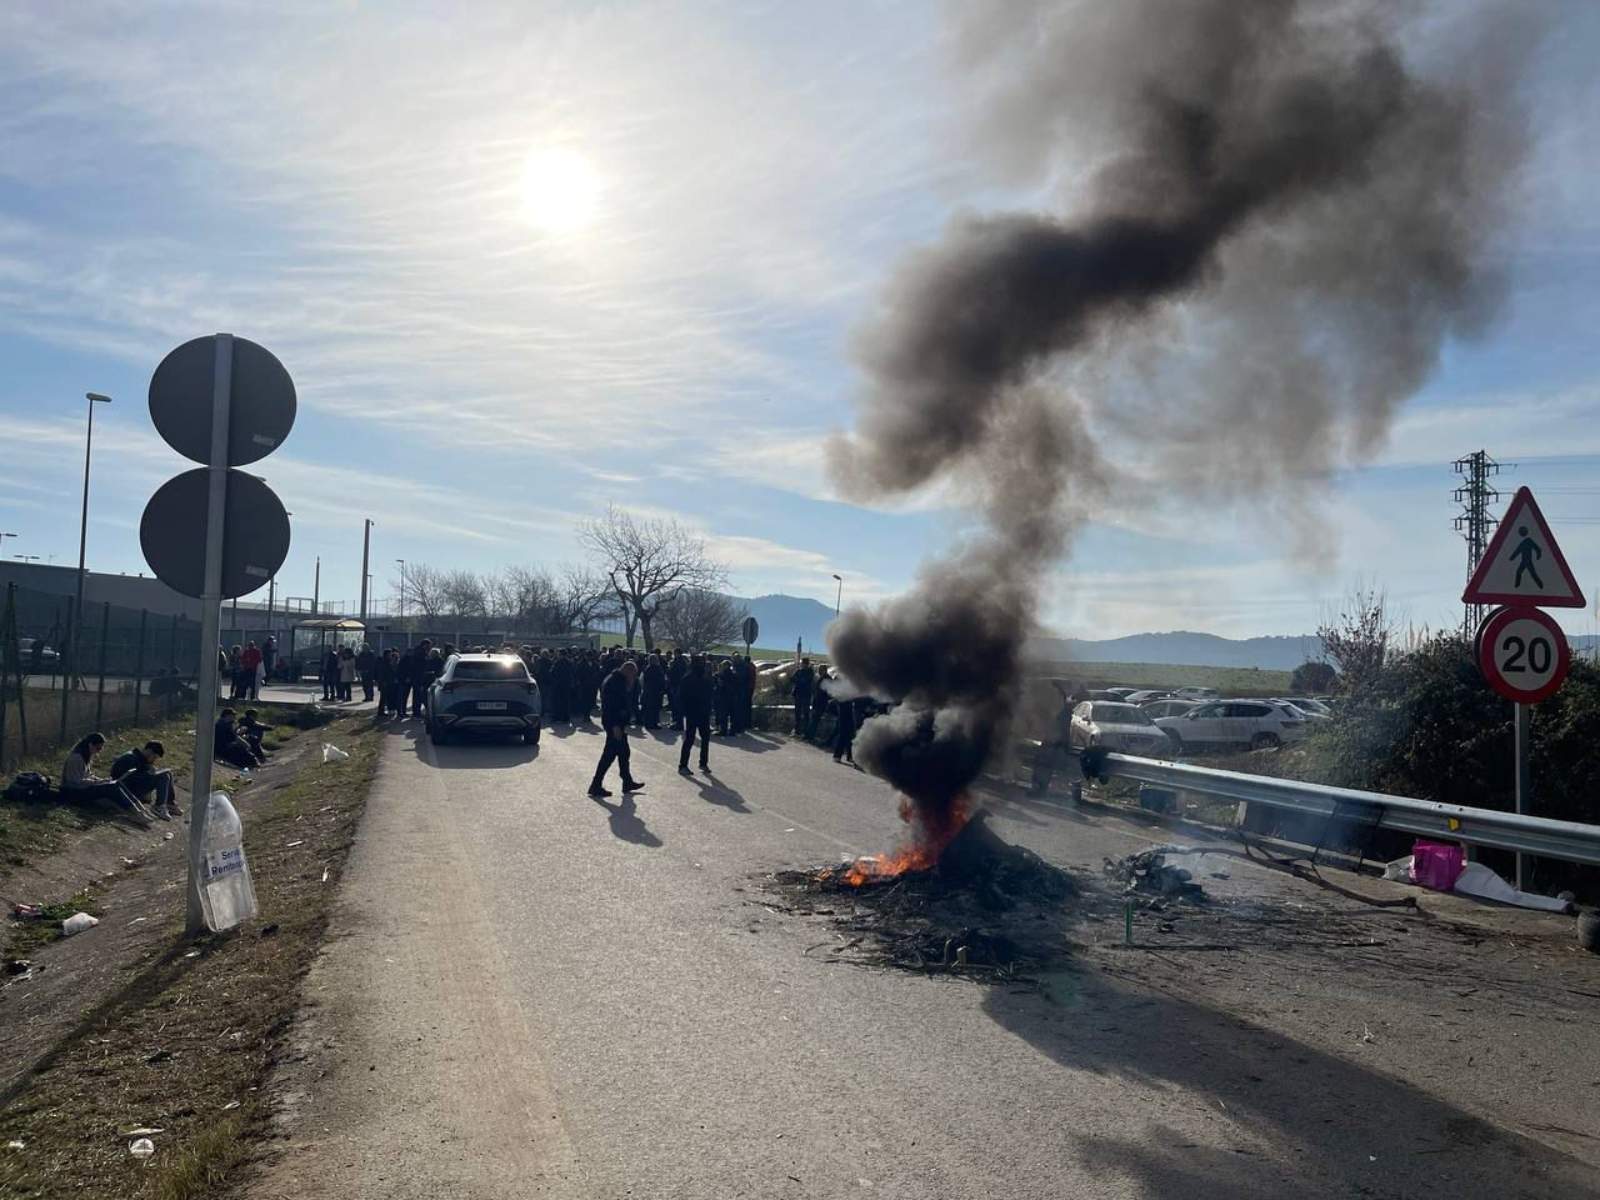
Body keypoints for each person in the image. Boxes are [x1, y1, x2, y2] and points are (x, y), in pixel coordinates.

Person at [61, 733, 155, 823]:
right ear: (90, 745)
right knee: (111, 787)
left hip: (82, 787)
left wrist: (100, 780)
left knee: (117, 783)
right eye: (98, 748)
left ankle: (141, 810)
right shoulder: (76, 758)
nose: (99, 751)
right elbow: (75, 782)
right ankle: (136, 814)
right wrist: (97, 783)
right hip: (73, 792)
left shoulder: (86, 756)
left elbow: (88, 776)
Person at [589, 660, 644, 797]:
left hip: (618, 723)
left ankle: (627, 781)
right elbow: (610, 706)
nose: (634, 678)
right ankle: (596, 784)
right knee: (609, 755)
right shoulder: (615, 683)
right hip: (614, 723)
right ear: (628, 672)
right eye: (633, 675)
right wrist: (615, 726)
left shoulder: (617, 680)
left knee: (623, 752)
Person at [110, 739, 182, 820]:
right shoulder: (131, 758)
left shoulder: (140, 758)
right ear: (149, 751)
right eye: (154, 757)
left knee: (168, 773)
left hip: (133, 786)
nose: (154, 760)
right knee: (163, 776)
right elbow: (129, 778)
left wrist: (151, 772)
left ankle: (170, 803)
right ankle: (159, 806)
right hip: (126, 790)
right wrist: (150, 775)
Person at [676, 655, 714, 775]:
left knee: (705, 738)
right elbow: (682, 696)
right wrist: (684, 711)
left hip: (703, 712)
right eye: (700, 663)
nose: (702, 665)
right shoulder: (688, 678)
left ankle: (703, 763)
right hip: (693, 712)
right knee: (690, 739)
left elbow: (709, 693)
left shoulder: (705, 677)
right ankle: (683, 765)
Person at [831, 693, 859, 765]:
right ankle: (838, 755)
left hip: (847, 705)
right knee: (844, 733)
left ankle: (849, 756)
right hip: (844, 705)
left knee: (850, 733)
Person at [641, 653, 666, 729]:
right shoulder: (658, 669)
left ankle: (648, 723)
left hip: (648, 690)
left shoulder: (647, 668)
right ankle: (654, 723)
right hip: (656, 691)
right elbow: (661, 680)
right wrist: (663, 688)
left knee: (649, 707)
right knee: (655, 708)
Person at [790, 658, 815, 736]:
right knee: (797, 713)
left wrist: (798, 680)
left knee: (805, 713)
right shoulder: (799, 671)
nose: (802, 665)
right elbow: (792, 678)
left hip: (805, 695)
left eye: (803, 663)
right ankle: (797, 730)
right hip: (798, 694)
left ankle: (805, 731)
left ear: (806, 664)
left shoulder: (809, 672)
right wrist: (798, 680)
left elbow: (805, 681)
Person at [714, 659, 737, 736]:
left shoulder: (723, 674)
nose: (722, 666)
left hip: (724, 696)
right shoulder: (733, 674)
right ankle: (733, 730)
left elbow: (721, 684)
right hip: (732, 696)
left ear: (726, 666)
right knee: (732, 714)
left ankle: (723, 730)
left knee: (723, 714)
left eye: (723, 665)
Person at [666, 651, 688, 732]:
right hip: (679, 685)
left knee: (676, 705)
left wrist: (669, 671)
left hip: (676, 685)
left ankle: (678, 723)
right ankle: (676, 722)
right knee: (676, 705)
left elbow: (673, 673)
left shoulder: (677, 663)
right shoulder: (683, 663)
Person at [377, 647, 401, 717]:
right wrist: (383, 681)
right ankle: (380, 711)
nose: (391, 655)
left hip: (389, 682)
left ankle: (385, 710)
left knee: (387, 697)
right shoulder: (383, 663)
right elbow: (382, 673)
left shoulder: (388, 662)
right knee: (383, 698)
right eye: (390, 654)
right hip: (385, 683)